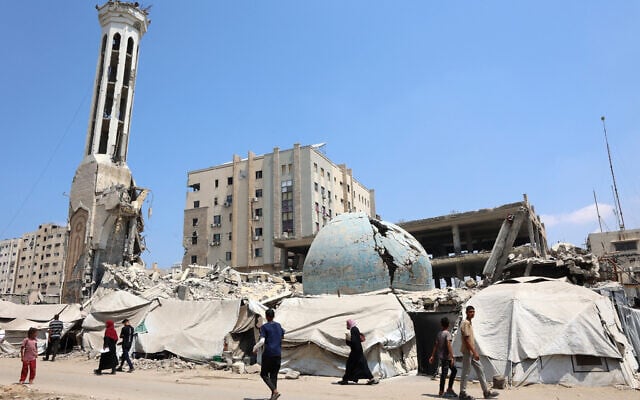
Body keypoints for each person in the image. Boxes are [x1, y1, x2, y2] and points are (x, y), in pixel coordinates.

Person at [459, 306, 498, 400]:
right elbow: (467, 339)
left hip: (471, 352)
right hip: (468, 352)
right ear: (467, 313)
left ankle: (486, 392)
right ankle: (462, 393)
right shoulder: (465, 323)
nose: (472, 313)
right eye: (470, 312)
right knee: (466, 372)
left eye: (473, 312)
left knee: (480, 369)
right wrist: (474, 352)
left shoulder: (469, 323)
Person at [253, 308, 285, 400]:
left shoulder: (264, 327)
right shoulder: (279, 326)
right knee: (274, 375)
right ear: (273, 316)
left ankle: (275, 391)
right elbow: (282, 336)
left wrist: (255, 348)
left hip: (268, 354)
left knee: (263, 374)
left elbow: (262, 341)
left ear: (266, 317)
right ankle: (273, 396)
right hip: (278, 354)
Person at [339, 319, 378, 385]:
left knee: (352, 365)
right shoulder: (355, 329)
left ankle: (371, 378)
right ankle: (345, 379)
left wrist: (348, 341)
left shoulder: (353, 330)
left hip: (356, 352)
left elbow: (354, 342)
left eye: (347, 324)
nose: (347, 325)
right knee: (357, 365)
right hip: (358, 351)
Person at [429, 317, 457, 398]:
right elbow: (448, 345)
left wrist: (432, 355)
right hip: (447, 357)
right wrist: (452, 357)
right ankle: (443, 391)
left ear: (441, 324)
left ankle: (448, 389)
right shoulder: (447, 333)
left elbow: (436, 345)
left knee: (452, 371)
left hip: (441, 356)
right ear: (448, 325)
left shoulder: (439, 334)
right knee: (445, 374)